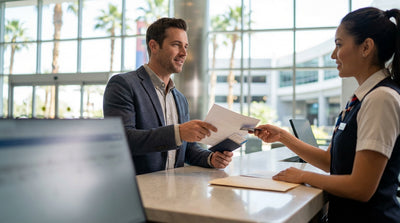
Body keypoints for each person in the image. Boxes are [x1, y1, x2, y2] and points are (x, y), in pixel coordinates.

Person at [253, 7, 400, 223]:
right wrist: (283, 137)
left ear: (366, 47)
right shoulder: (362, 98)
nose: (333, 55)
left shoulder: (381, 99)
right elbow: (331, 161)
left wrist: (303, 176)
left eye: (339, 45)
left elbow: (361, 188)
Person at [103, 17, 233, 175]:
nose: (184, 53)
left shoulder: (180, 98)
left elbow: (187, 148)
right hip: (137, 191)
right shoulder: (124, 84)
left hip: (172, 191)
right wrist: (178, 132)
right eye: (176, 45)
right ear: (154, 46)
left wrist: (211, 158)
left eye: (185, 46)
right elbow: (122, 139)